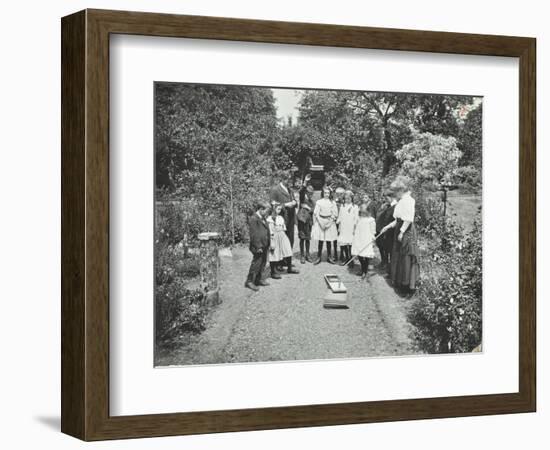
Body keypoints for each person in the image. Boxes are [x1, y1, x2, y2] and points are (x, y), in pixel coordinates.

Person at [380, 176, 420, 295]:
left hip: (406, 231)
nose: (394, 194)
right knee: (398, 255)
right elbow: (398, 219)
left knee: (406, 256)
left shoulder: (409, 200)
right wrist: (387, 227)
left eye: (396, 192)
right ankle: (399, 282)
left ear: (401, 190)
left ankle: (407, 285)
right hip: (400, 228)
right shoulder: (402, 200)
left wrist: (402, 232)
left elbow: (408, 219)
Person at [267, 201, 300, 278]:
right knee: (274, 252)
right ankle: (273, 271)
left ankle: (289, 268)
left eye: (280, 209)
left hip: (282, 235)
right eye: (278, 209)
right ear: (274, 209)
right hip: (274, 236)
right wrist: (272, 241)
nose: (280, 210)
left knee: (288, 249)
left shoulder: (280, 218)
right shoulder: (270, 219)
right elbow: (270, 230)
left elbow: (283, 228)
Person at [245, 200, 271, 291]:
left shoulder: (262, 217)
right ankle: (249, 281)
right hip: (258, 246)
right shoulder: (254, 219)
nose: (267, 213)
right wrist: (258, 246)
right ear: (261, 209)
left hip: (264, 244)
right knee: (256, 263)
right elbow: (254, 235)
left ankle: (258, 279)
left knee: (263, 262)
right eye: (266, 211)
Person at [270, 173, 298, 251]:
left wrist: (294, 202)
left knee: (290, 238)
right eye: (287, 180)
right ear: (282, 179)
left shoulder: (290, 189)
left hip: (291, 217)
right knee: (282, 238)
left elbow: (294, 200)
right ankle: (281, 259)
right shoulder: (275, 189)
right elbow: (272, 203)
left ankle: (288, 258)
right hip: (281, 218)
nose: (288, 182)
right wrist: (285, 205)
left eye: (289, 180)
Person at [312, 186, 338, 264]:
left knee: (329, 240)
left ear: (330, 194)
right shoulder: (319, 202)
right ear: (323, 193)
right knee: (321, 240)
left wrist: (329, 223)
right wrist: (320, 222)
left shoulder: (332, 202)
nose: (326, 194)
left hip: (329, 221)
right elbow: (316, 213)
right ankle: (319, 256)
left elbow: (335, 213)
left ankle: (329, 257)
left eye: (328, 193)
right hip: (321, 221)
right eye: (325, 193)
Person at [351, 203, 376, 279]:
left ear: (367, 211)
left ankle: (365, 271)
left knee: (366, 255)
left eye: (364, 211)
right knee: (359, 255)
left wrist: (373, 240)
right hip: (359, 238)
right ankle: (362, 269)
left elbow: (373, 231)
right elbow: (356, 227)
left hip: (367, 239)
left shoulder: (371, 220)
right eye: (361, 211)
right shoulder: (359, 218)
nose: (363, 213)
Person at [376, 188, 397, 271]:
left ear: (392, 197)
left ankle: (390, 268)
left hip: (391, 232)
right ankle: (385, 264)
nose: (385, 200)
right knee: (383, 247)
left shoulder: (395, 206)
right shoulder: (387, 205)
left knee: (390, 250)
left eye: (386, 198)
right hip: (384, 231)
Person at [297, 174, 315, 264]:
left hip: (309, 222)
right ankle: (302, 255)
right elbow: (301, 191)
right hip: (302, 221)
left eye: (312, 193)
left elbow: (313, 210)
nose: (310, 195)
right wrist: (305, 182)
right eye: (309, 193)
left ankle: (308, 255)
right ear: (306, 193)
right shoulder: (302, 198)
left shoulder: (312, 202)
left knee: (308, 239)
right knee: (302, 238)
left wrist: (308, 208)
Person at [337, 190, 358, 265]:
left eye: (349, 198)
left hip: (351, 227)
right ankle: (346, 258)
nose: (347, 200)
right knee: (344, 243)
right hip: (344, 227)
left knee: (350, 244)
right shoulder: (342, 206)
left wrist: (355, 228)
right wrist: (338, 224)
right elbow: (340, 216)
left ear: (352, 198)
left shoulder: (355, 207)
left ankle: (351, 260)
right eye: (346, 198)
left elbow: (356, 218)